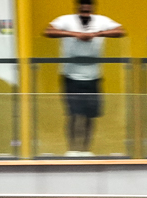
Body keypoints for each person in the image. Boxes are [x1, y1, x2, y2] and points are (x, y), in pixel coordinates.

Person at [43, 0, 123, 156]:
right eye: (83, 11)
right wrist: (74, 34)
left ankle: (86, 150)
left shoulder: (102, 20)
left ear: (92, 10)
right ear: (78, 10)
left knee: (90, 117)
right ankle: (72, 149)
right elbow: (48, 32)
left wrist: (97, 34)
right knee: (73, 115)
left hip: (93, 76)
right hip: (71, 75)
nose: (85, 13)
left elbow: (121, 31)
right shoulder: (66, 20)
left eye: (88, 11)